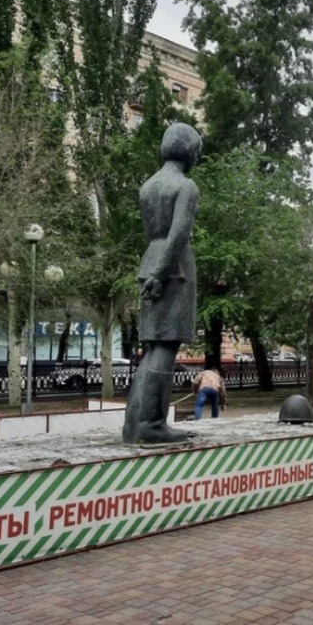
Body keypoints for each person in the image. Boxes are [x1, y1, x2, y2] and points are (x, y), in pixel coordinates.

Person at [122, 123, 202, 445]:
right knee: (165, 347)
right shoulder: (185, 186)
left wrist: (152, 271)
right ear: (190, 151)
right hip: (172, 267)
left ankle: (134, 425)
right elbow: (180, 232)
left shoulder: (148, 186)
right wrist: (160, 273)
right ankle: (153, 424)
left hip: (151, 257)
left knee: (153, 348)